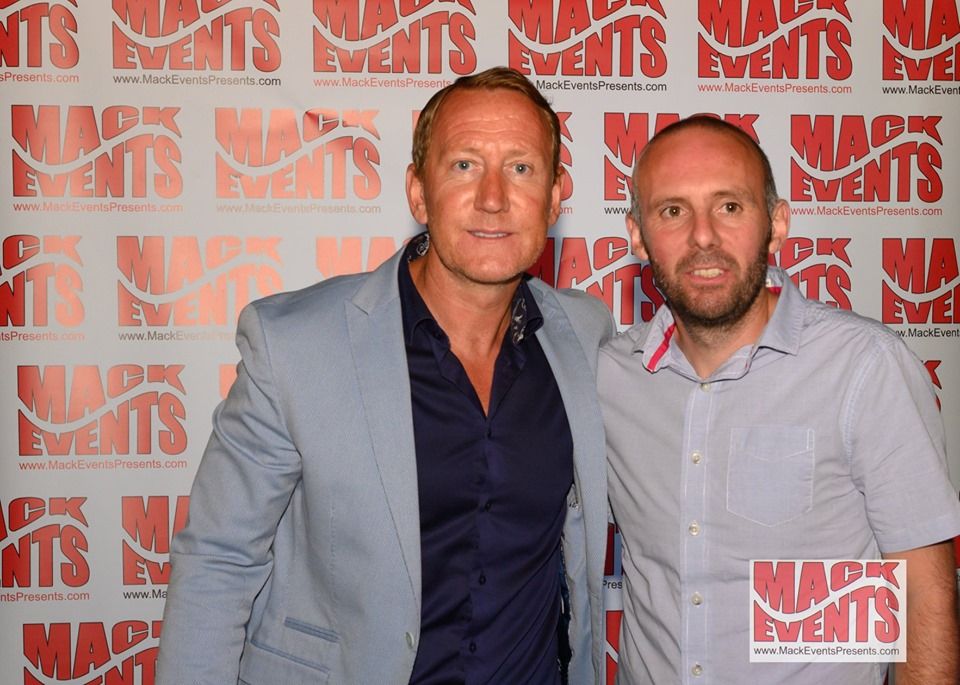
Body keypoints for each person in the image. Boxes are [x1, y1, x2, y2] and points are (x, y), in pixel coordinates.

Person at [155, 67, 613, 684]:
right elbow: (218, 560)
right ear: (418, 193)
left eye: (522, 168)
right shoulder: (294, 344)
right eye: (464, 166)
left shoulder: (585, 335)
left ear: (556, 196)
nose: (494, 197)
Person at [600, 116, 960, 684]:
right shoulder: (610, 376)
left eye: (729, 206)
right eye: (672, 211)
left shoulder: (864, 368)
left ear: (777, 224)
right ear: (637, 236)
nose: (702, 237)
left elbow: (923, 592)